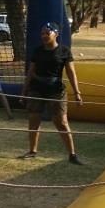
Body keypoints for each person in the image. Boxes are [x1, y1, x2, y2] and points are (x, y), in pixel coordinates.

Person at [20, 22, 84, 164]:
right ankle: (32, 151)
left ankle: (72, 154)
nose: (44, 36)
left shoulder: (64, 51)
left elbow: (71, 73)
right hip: (36, 89)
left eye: (47, 34)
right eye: (42, 34)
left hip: (56, 91)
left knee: (61, 122)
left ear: (56, 34)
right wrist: (24, 90)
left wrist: (77, 93)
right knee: (34, 120)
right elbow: (31, 71)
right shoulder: (37, 51)